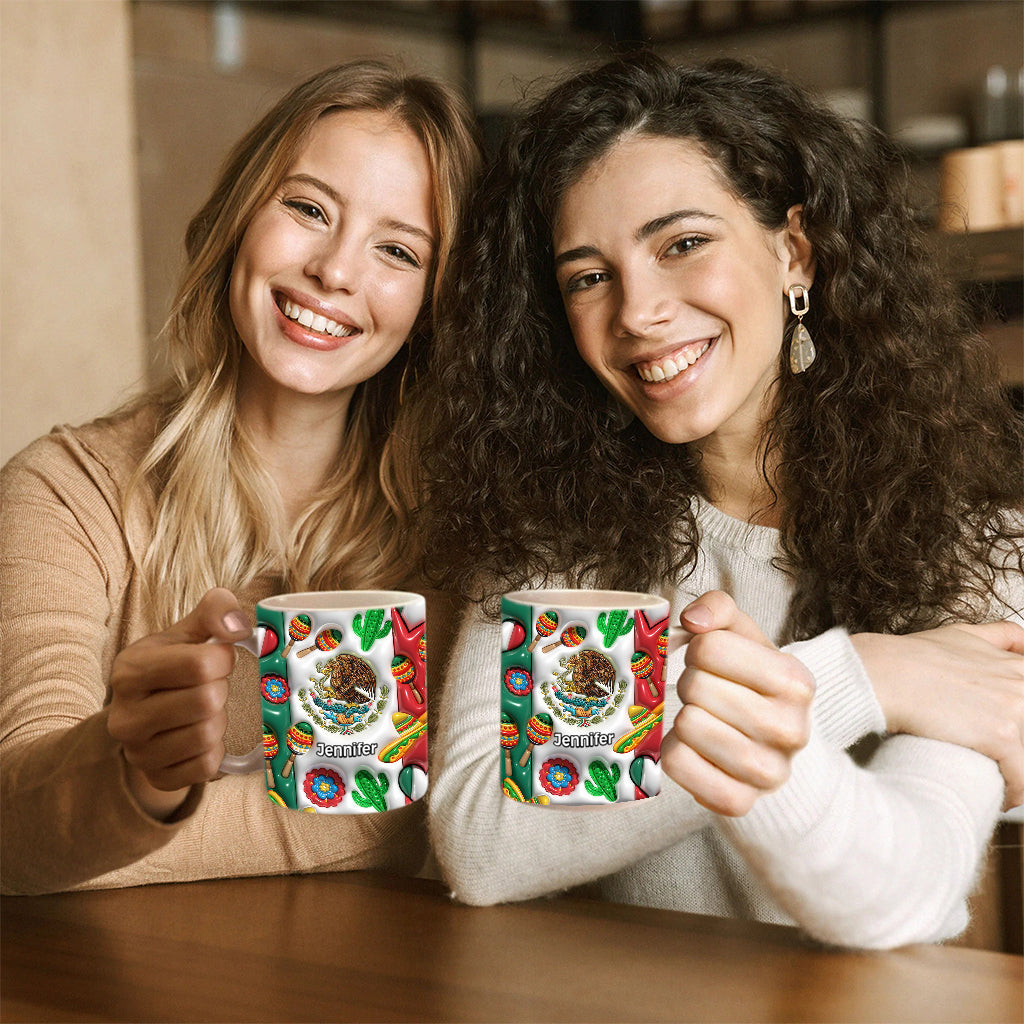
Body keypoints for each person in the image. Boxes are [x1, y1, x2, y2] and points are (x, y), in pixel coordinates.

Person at [418, 53, 1024, 949]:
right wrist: (857, 677)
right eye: (588, 276)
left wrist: (754, 700)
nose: (637, 311)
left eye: (682, 244)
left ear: (794, 252)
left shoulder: (977, 543)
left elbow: (901, 890)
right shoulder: (554, 540)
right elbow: (480, 845)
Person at [0, 59, 482, 895]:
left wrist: (123, 832)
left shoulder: (460, 531)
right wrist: (138, 776)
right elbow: (16, 825)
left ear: (434, 304)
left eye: (397, 250)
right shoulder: (65, 491)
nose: (335, 270)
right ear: (237, 220)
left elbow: (424, 808)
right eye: (306, 209)